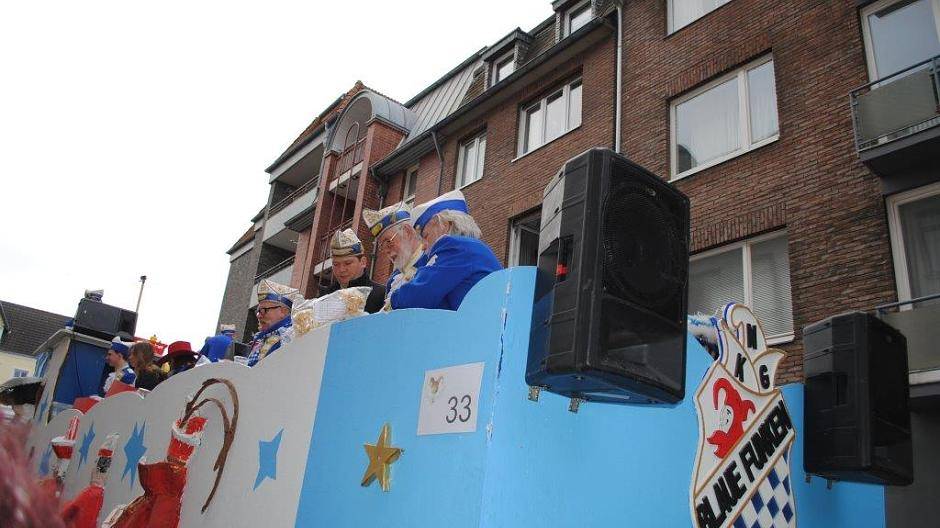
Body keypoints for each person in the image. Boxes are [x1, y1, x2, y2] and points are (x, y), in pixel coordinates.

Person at [390, 190, 502, 311]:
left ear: (445, 225)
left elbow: (419, 295)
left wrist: (393, 299)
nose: (423, 246)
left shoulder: (453, 246)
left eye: (425, 236)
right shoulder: (472, 247)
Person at [363, 203, 426, 308]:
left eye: (388, 242)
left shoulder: (433, 261)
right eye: (382, 246)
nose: (386, 251)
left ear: (407, 231)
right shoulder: (393, 280)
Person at [318, 229, 385, 314]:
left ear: (363, 262)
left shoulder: (382, 295)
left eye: (348, 263)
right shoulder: (323, 298)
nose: (341, 269)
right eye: (336, 264)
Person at [247, 279, 297, 367]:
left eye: (263, 310)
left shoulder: (291, 335)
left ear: (283, 311)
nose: (258, 316)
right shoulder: (262, 338)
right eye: (258, 311)